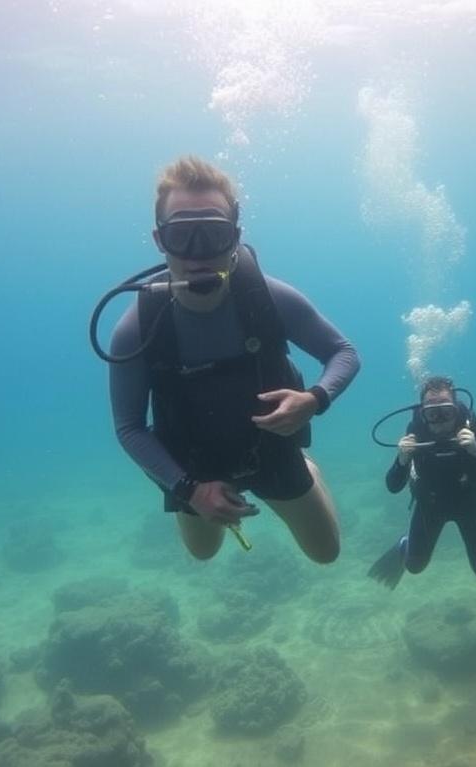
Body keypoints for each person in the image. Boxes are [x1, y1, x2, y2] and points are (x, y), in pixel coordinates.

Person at [108, 155, 359, 563]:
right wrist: (189, 489)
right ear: (159, 240)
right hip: (191, 464)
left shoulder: (269, 299)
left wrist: (314, 399)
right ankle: (197, 495)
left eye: (214, 234)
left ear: (236, 236)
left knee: (325, 553)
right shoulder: (136, 329)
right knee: (202, 553)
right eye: (181, 236)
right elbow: (130, 428)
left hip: (272, 447)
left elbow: (343, 353)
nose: (198, 253)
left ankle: (308, 469)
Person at [367, 376, 476, 603]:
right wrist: (402, 459)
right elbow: (393, 486)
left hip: (471, 503)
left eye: (446, 411)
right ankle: (405, 544)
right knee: (414, 566)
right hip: (429, 505)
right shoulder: (416, 432)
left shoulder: (475, 426)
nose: (440, 420)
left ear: (456, 408)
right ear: (423, 412)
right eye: (432, 413)